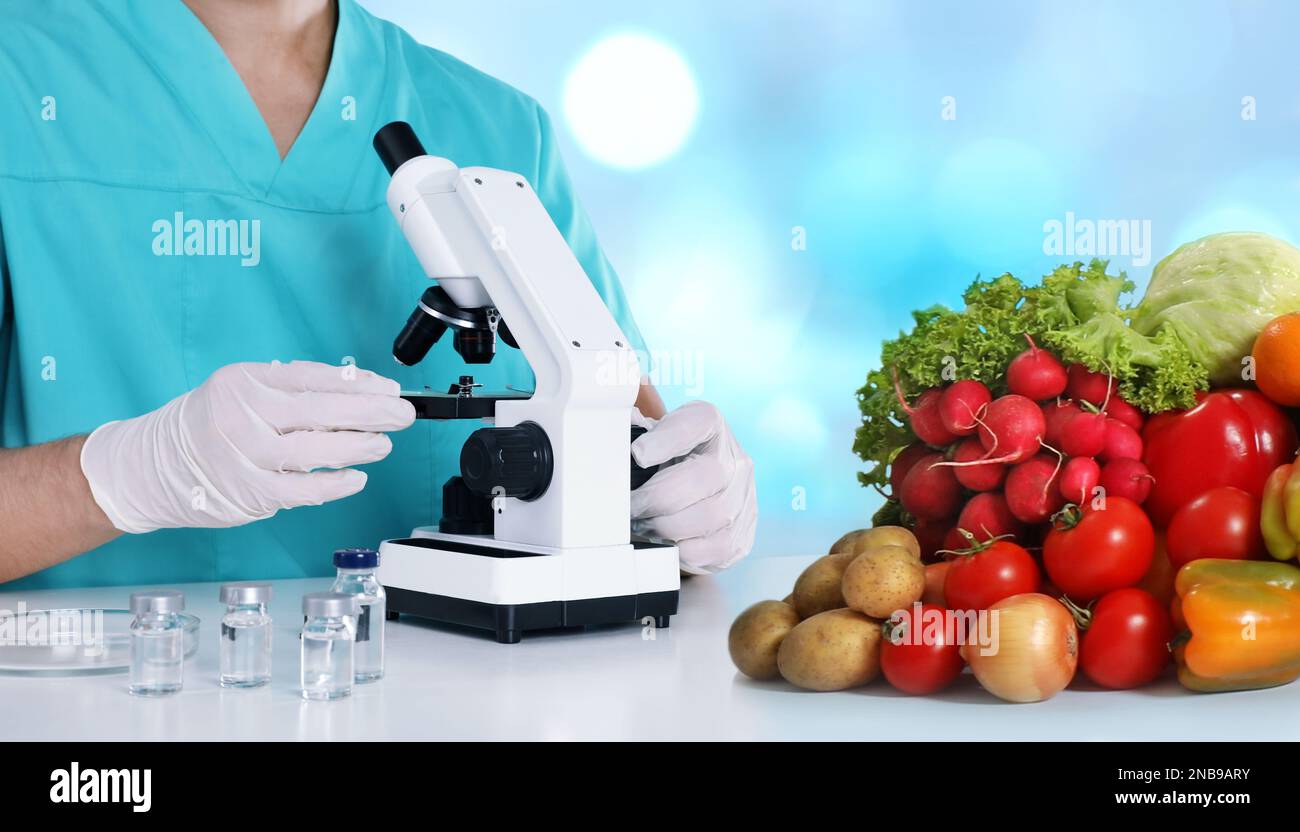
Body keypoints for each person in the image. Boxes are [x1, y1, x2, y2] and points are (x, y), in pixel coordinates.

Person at [0, 0, 756, 587]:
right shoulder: (22, 82)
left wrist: (683, 510)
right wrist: (129, 474)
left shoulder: (494, 126)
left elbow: (633, 437)